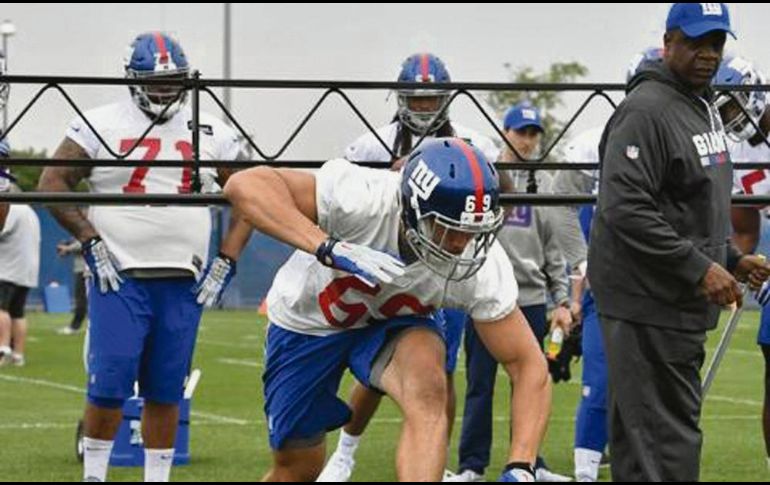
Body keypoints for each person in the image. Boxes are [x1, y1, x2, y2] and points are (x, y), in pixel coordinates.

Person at [221, 138, 551, 482]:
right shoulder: (364, 197)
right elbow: (244, 184)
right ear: (411, 209)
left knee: (429, 389)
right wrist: (326, 247)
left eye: (471, 230)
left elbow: (527, 364)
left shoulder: (481, 264)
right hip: (309, 323)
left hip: (396, 324)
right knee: (298, 469)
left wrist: (521, 466)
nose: (459, 244)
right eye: (449, 227)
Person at [38, 32, 241, 483]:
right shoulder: (100, 123)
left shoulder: (213, 128)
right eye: (156, 81)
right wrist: (90, 240)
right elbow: (52, 182)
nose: (165, 90)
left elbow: (254, 198)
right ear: (133, 80)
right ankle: (94, 475)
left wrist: (227, 258)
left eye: (172, 81)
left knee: (166, 390)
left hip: (183, 277)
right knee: (109, 385)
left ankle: (157, 478)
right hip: (120, 274)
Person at [588, 4, 770, 480]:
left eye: (716, 44)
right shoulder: (646, 110)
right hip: (647, 302)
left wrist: (730, 258)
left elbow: (685, 208)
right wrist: (698, 267)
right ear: (668, 42)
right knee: (666, 441)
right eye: (695, 43)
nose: (708, 55)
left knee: (643, 439)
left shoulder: (700, 106)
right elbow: (625, 208)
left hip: (673, 300)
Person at [318, 52, 500, 482]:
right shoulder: (370, 144)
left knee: (441, 370)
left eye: (430, 99)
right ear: (400, 99)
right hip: (387, 263)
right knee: (379, 366)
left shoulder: (474, 143)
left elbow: (498, 189)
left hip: (448, 266)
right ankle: (345, 452)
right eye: (415, 100)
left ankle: (434, 461)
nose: (422, 108)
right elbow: (346, 201)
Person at [451, 102, 572, 483]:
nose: (528, 140)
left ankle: (531, 464)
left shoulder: (546, 184)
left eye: (534, 132)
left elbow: (553, 251)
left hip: (532, 301)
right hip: (486, 299)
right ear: (506, 133)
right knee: (480, 385)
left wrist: (562, 300)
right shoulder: (485, 178)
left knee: (533, 382)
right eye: (522, 131)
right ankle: (472, 466)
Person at [716, 55, 770, 468]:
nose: (731, 117)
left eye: (733, 105)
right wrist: (744, 265)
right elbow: (744, 224)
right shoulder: (736, 151)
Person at [0, 172, 41, 368]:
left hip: (8, 268)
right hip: (26, 271)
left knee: (1, 309)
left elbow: (2, 229)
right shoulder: (30, 211)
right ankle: (18, 355)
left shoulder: (12, 208)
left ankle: (3, 350)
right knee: (18, 313)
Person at [56, 239, 88, 335]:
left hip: (84, 270)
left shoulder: (88, 228)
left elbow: (84, 243)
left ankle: (75, 327)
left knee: (81, 300)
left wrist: (67, 248)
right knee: (82, 299)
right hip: (82, 269)